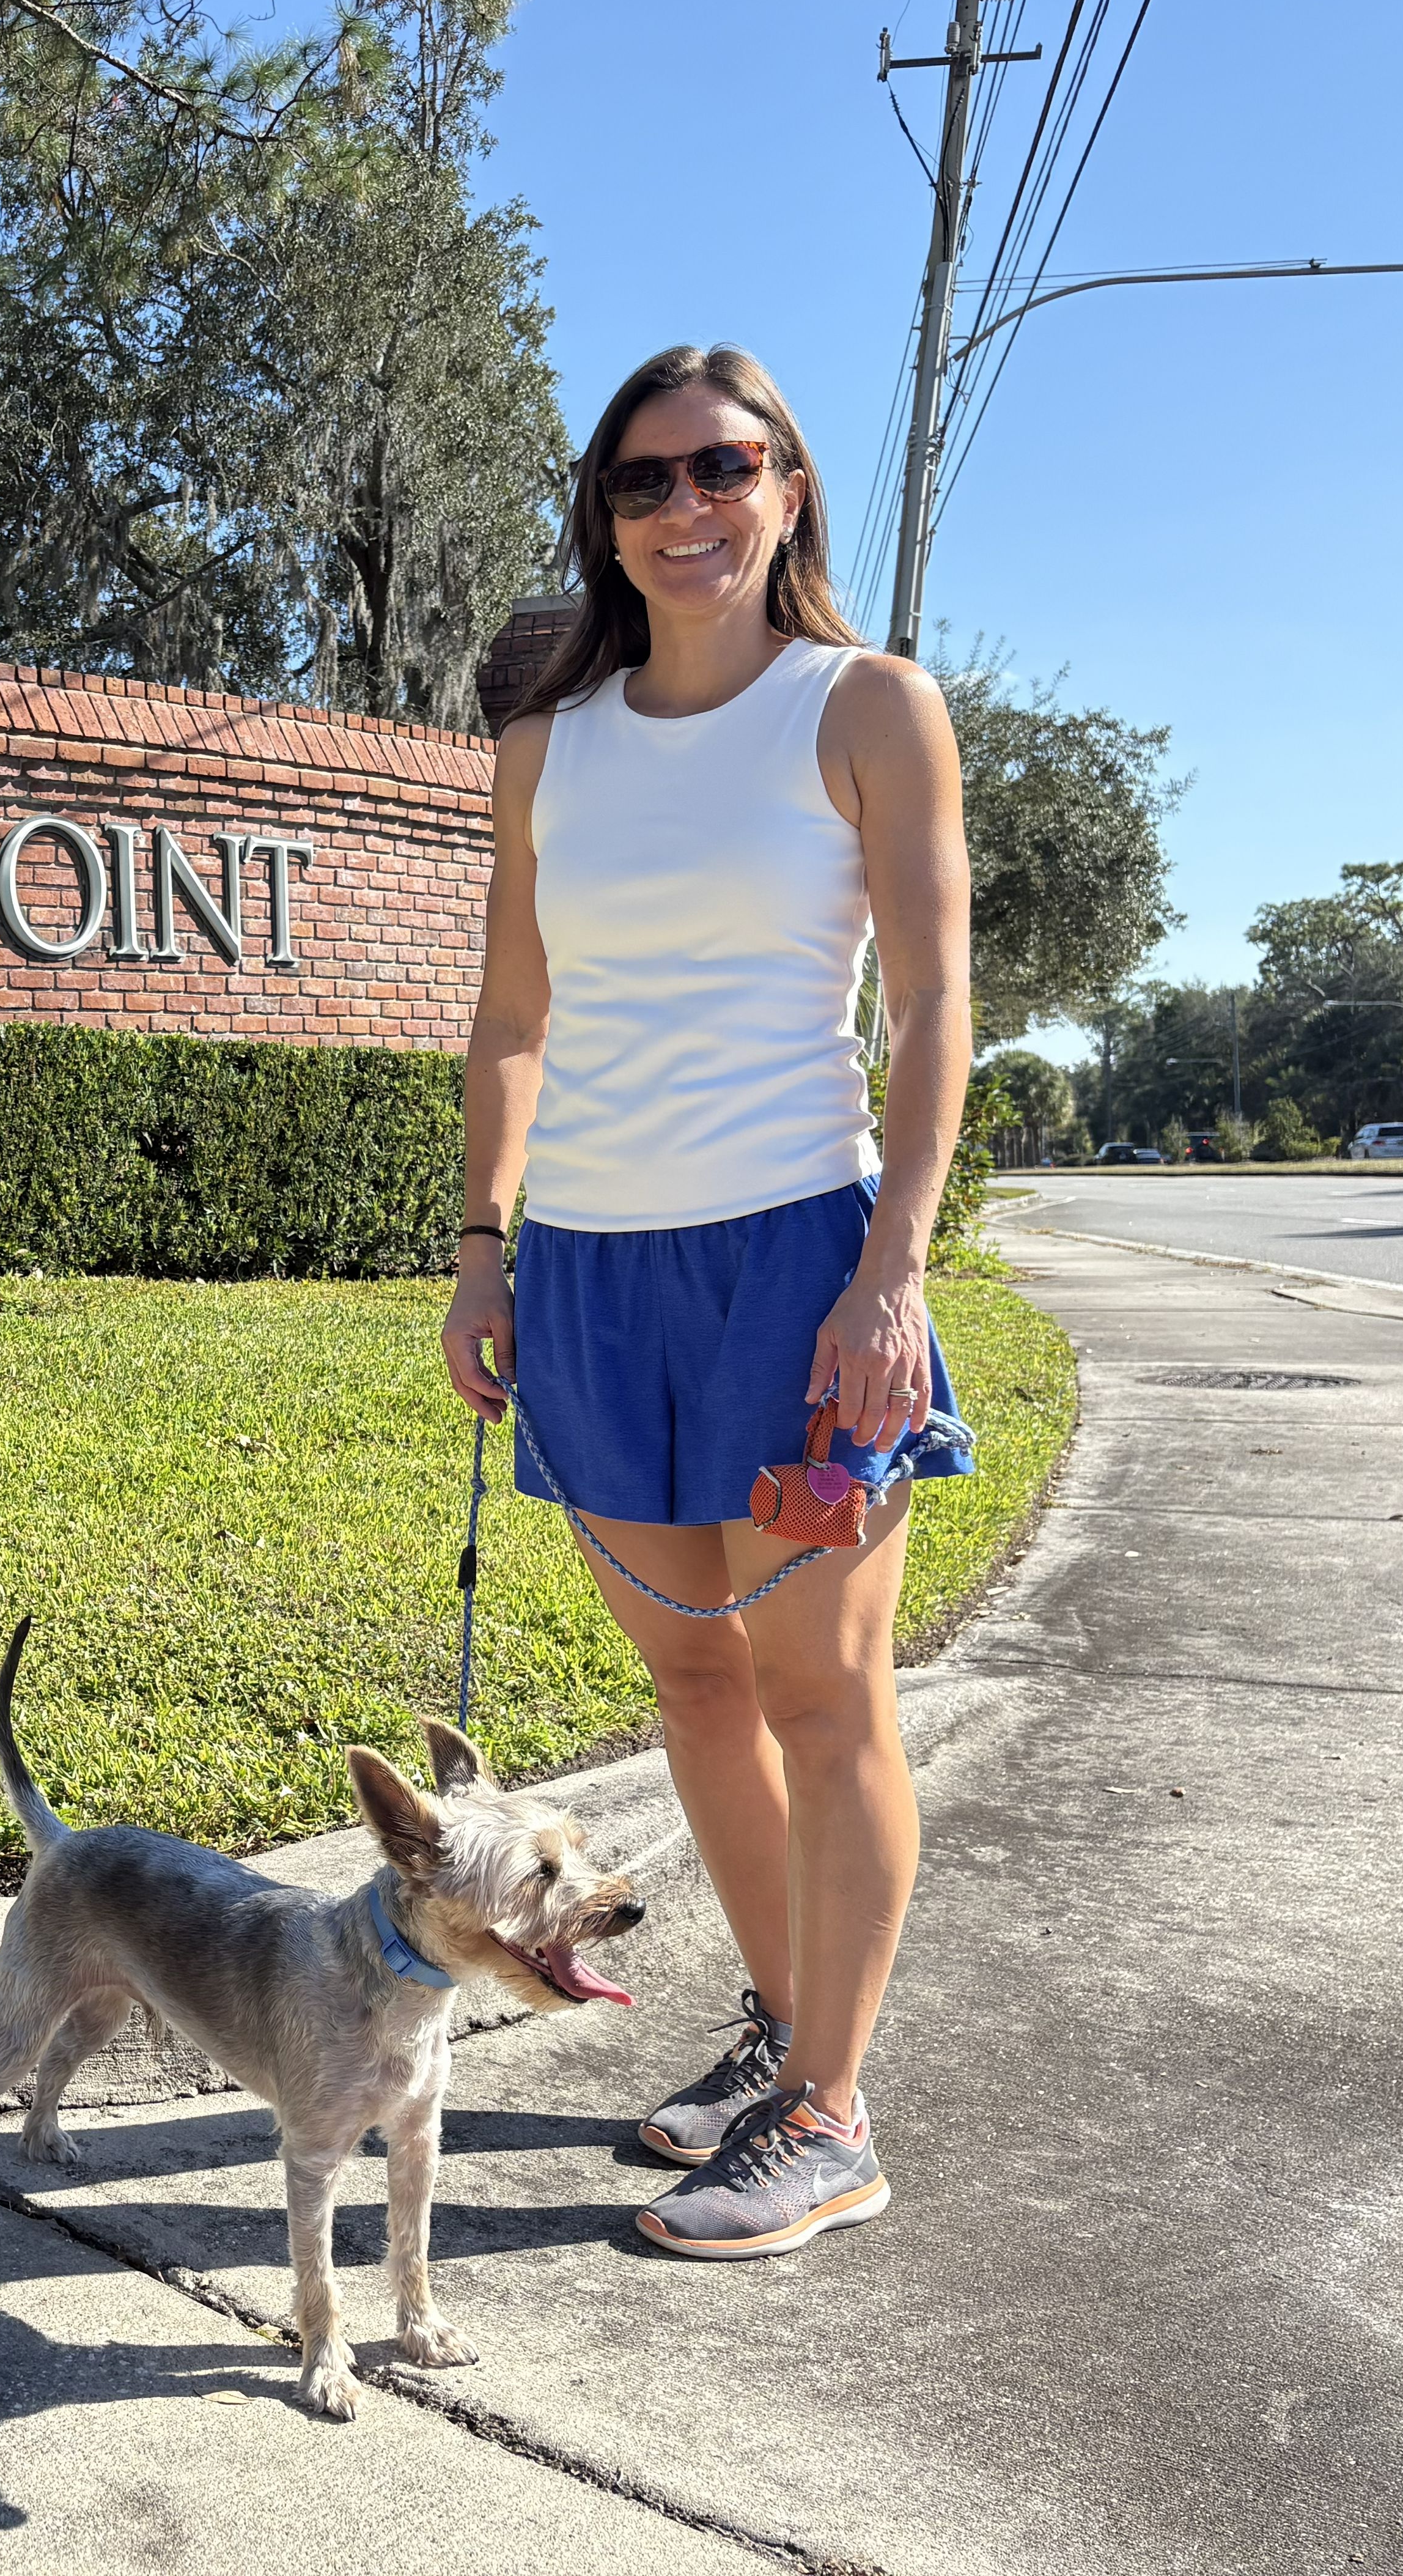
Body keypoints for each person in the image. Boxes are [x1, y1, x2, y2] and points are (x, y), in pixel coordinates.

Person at [438, 342, 974, 2260]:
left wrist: (891, 1269)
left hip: (795, 1261)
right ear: (605, 517)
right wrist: (485, 1242)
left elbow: (934, 1006)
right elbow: (514, 1017)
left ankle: (832, 2113)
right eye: (644, 480)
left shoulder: (867, 706)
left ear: (788, 488)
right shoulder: (549, 747)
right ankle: (783, 2031)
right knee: (694, 1680)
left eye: (724, 467)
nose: (687, 508)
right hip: (593, 1266)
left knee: (824, 1695)